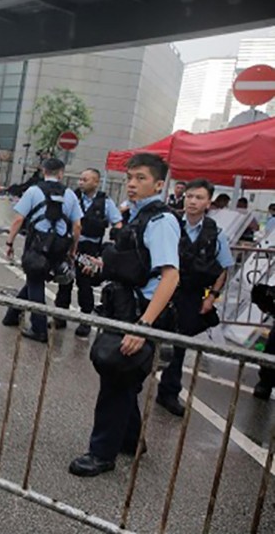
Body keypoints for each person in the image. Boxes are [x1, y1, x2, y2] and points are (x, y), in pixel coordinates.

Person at [69, 153, 181, 477]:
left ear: (159, 184)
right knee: (123, 377)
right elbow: (135, 265)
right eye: (130, 177)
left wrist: (143, 326)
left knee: (116, 380)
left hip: (139, 315)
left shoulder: (160, 221)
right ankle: (131, 440)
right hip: (124, 309)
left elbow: (169, 276)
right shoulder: (137, 217)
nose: (132, 183)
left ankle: (101, 453)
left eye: (141, 178)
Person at [156, 179, 234, 416]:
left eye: (199, 197)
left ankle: (168, 392)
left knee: (180, 344)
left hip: (191, 295)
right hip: (164, 291)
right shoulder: (171, 224)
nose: (192, 201)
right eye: (189, 196)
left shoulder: (215, 234)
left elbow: (224, 268)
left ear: (208, 202)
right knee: (151, 336)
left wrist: (211, 298)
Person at [2, 158, 83, 343]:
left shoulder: (33, 190)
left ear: (43, 171)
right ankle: (12, 315)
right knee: (35, 278)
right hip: (59, 246)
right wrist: (72, 250)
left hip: (37, 244)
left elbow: (18, 220)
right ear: (61, 173)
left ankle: (39, 329)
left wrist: (9, 243)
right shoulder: (70, 194)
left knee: (35, 280)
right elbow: (77, 226)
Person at [55, 168, 122, 338]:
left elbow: (118, 224)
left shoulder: (105, 202)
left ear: (96, 182)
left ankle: (85, 320)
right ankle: (60, 317)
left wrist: (111, 248)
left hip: (90, 250)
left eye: (85, 180)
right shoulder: (72, 198)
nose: (81, 182)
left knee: (84, 284)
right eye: (80, 179)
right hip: (70, 246)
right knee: (64, 280)